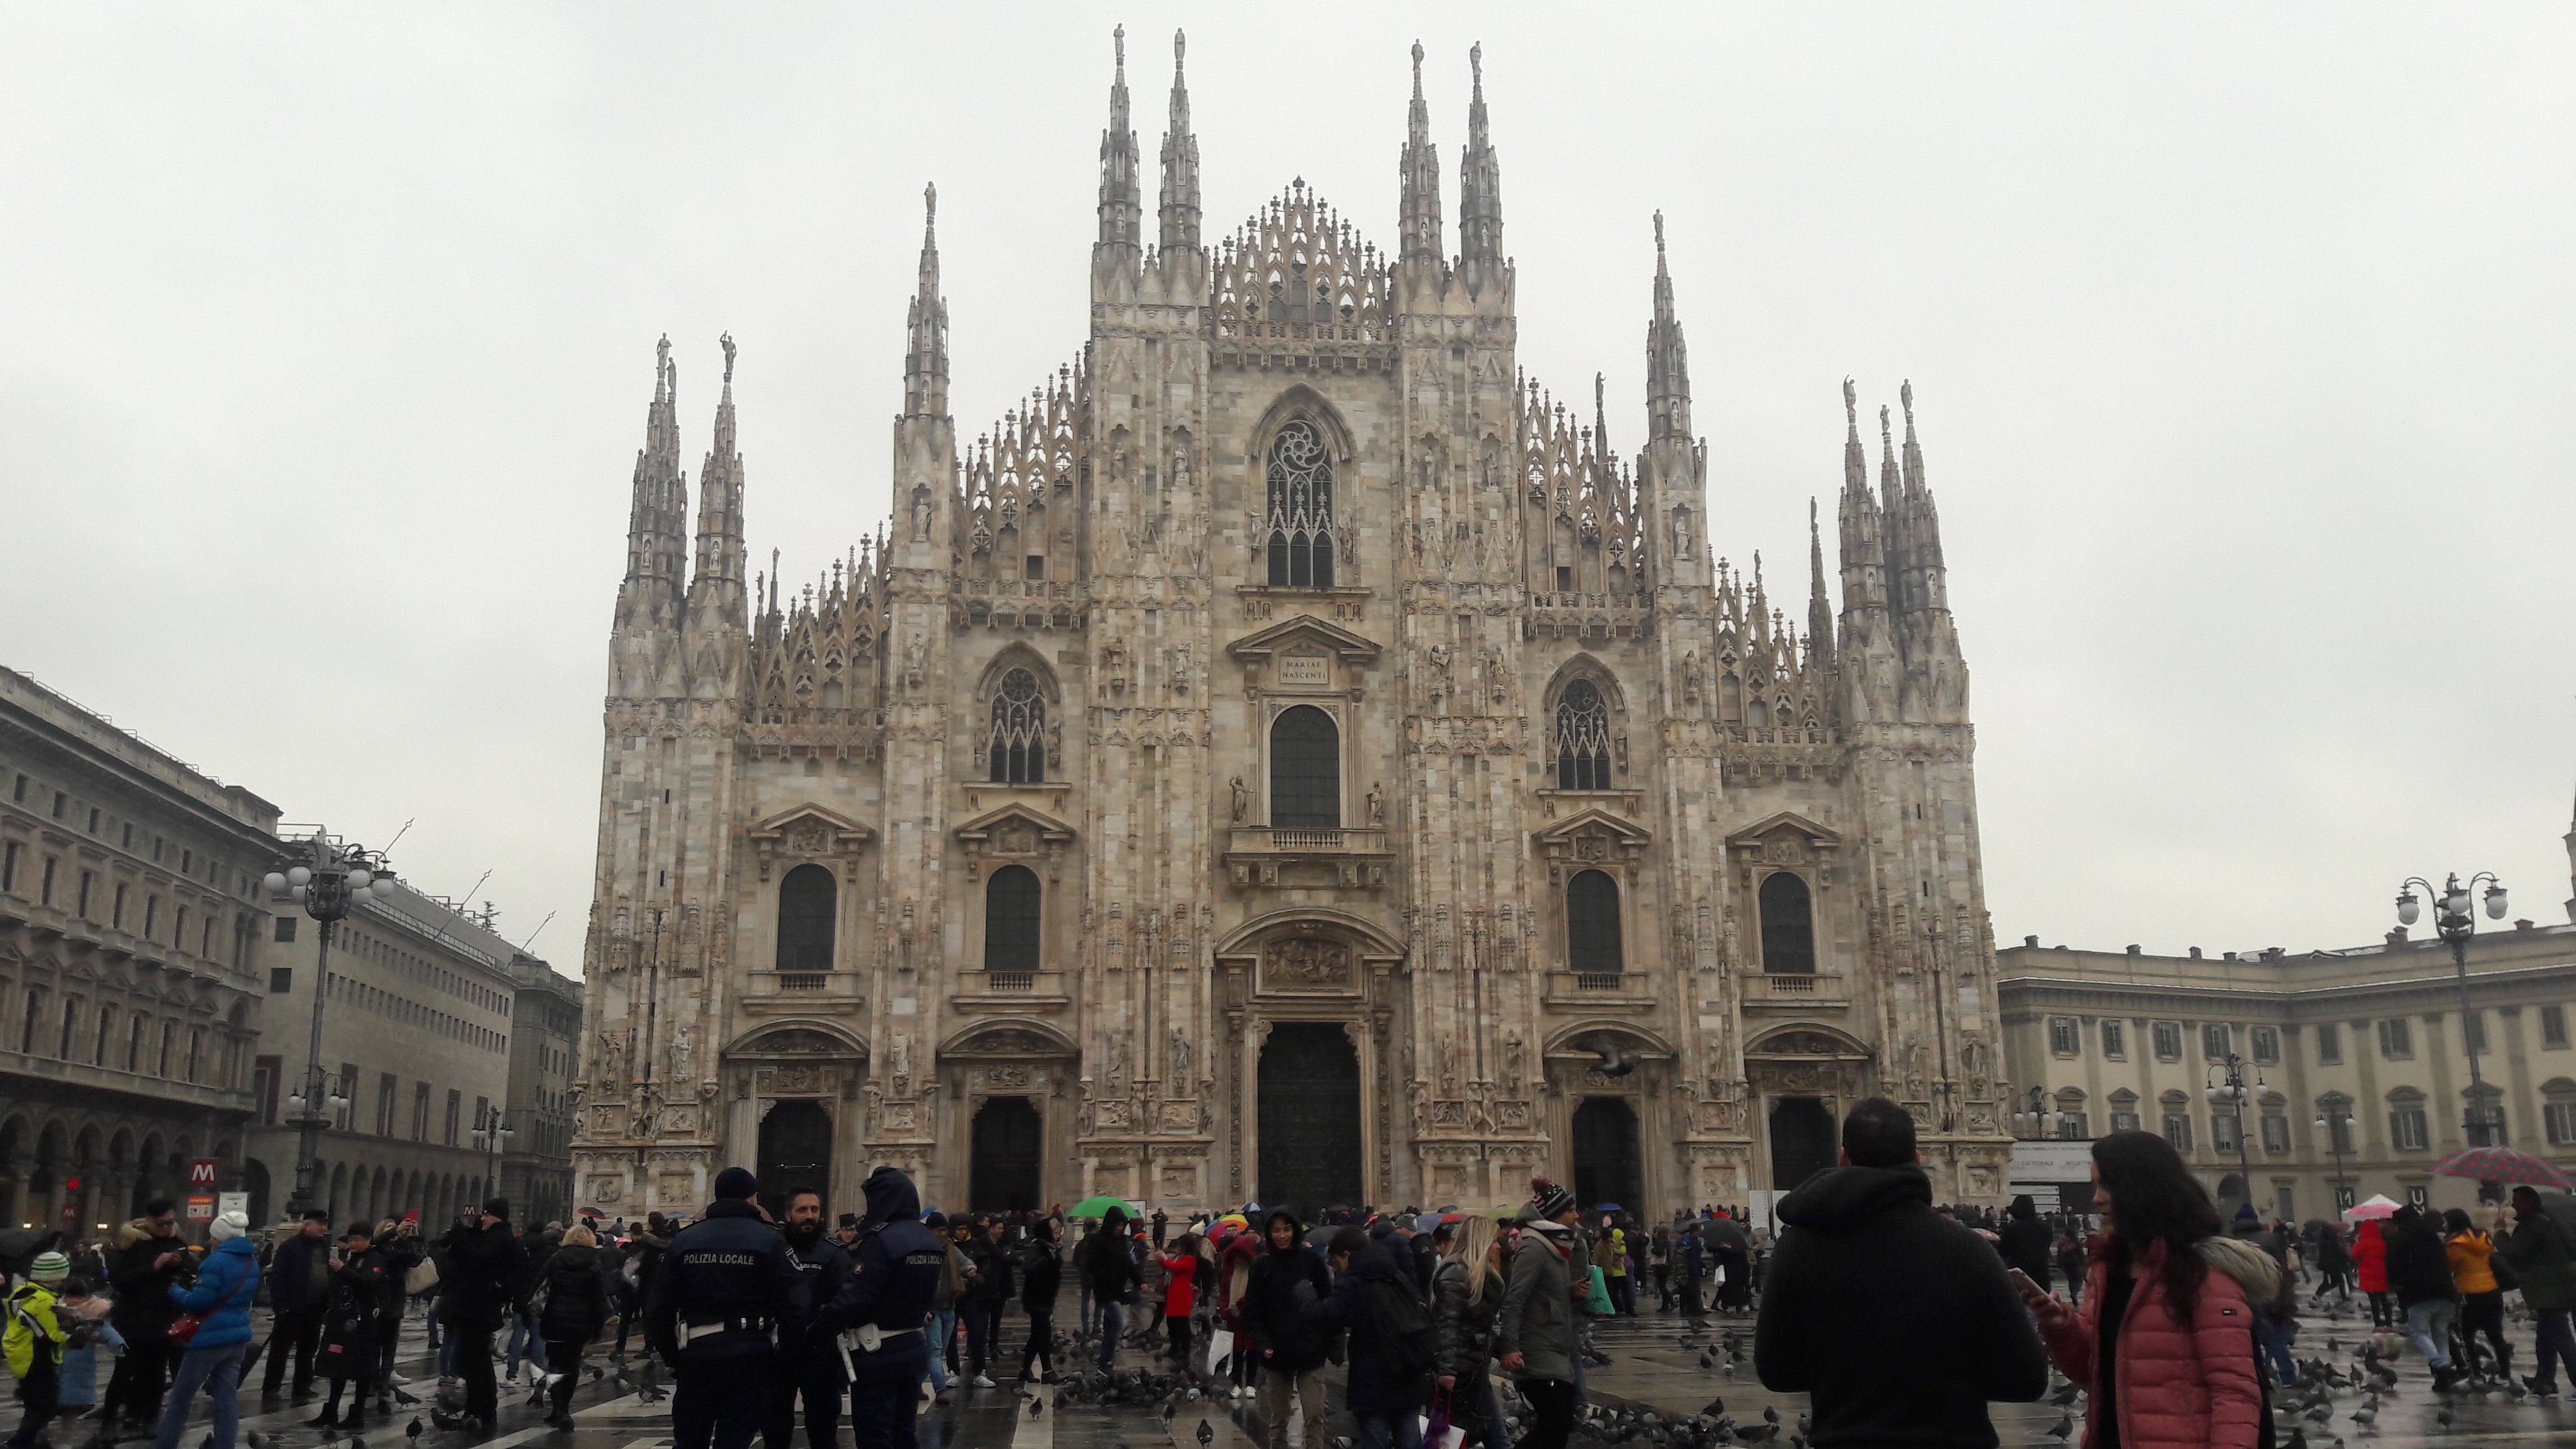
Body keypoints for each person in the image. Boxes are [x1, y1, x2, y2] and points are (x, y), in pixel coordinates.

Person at [1756, 1098, 2046, 1449]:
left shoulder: (1795, 1249)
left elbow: (1778, 1372)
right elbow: (2025, 1380)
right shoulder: (1969, 1250)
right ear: (1919, 1160)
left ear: (1844, 1158)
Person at [2020, 1131, 2273, 1449]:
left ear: (2140, 1190)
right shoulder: (2107, 1272)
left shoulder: (2204, 1275)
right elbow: (2091, 1372)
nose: (2096, 1198)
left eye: (2105, 1186)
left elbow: (2234, 1394)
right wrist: (2061, 1327)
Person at [647, 1168, 801, 1449]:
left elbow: (658, 1309)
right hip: (751, 1356)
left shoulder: (685, 1240)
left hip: (697, 1354)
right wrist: (780, 1358)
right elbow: (795, 1306)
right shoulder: (770, 1239)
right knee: (735, 1438)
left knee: (690, 1439)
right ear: (752, 1198)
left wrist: (674, 1357)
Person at [1299, 1224, 1434, 1449]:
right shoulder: (1396, 1274)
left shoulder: (1354, 1283)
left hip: (1374, 1380)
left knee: (1374, 1439)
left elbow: (1323, 1315)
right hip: (1409, 1373)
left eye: (1336, 1262)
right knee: (1409, 1438)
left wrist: (1305, 1290)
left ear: (1347, 1255)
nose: (1335, 1269)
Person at [841, 1166, 944, 1449]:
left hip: (878, 1355)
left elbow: (859, 1296)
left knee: (876, 1435)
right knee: (904, 1432)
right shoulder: (927, 1239)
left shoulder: (882, 1239)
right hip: (913, 1347)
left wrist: (821, 1324)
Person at [150, 1209, 260, 1449]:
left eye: (213, 1237)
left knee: (180, 1399)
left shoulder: (216, 1261)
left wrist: (174, 1290)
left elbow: (199, 1303)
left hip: (208, 1339)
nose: (211, 1241)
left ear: (221, 1237)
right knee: (226, 1400)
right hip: (237, 1338)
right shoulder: (251, 1261)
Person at [764, 1190, 861, 1449]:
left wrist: (823, 1324)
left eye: (814, 1210)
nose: (809, 1216)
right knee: (774, 1427)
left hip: (820, 1351)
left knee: (823, 1428)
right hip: (778, 1351)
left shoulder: (834, 1253)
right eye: (802, 1210)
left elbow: (848, 1296)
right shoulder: (773, 1249)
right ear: (788, 1215)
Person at [1241, 1210, 1336, 1449]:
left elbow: (1328, 1302)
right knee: (1279, 1417)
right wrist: (1262, 1342)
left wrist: (1326, 1340)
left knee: (1314, 1414)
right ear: (1268, 1233)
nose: (1282, 1236)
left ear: (1295, 1230)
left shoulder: (1311, 1260)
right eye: (1276, 1230)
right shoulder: (1262, 1265)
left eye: (1287, 1229)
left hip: (1310, 1349)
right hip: (1276, 1350)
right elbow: (1252, 1310)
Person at [1498, 1182, 1582, 1449]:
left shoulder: (1555, 1247)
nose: (1577, 1215)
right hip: (1538, 1351)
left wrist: (1570, 1292)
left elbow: (1542, 1295)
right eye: (1570, 1211)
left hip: (1556, 1346)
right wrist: (1510, 1347)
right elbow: (1515, 1299)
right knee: (1555, 1428)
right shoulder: (1534, 1248)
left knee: (1559, 1427)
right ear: (1555, 1215)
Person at [435, 1197, 529, 1432]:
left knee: (477, 1362)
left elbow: (478, 1261)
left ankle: (482, 1410)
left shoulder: (500, 1238)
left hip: (479, 1308)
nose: (483, 1219)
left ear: (495, 1216)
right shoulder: (496, 1237)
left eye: (486, 1215)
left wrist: (461, 1236)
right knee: (473, 1360)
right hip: (477, 1307)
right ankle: (477, 1409)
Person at [103, 1198, 190, 1440]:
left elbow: (189, 1270)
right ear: (150, 1221)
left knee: (156, 1372)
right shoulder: (130, 1242)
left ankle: (151, 1418)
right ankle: (109, 1421)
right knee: (124, 1372)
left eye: (171, 1223)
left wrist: (179, 1264)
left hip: (163, 1316)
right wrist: (154, 1267)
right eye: (162, 1223)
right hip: (132, 1318)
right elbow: (119, 1279)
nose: (167, 1228)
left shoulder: (176, 1242)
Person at [537, 1222, 623, 1430]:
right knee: (573, 1364)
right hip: (581, 1322)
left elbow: (538, 1284)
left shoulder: (556, 1258)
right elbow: (599, 1298)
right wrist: (600, 1323)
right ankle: (565, 1409)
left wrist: (526, 1307)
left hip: (555, 1319)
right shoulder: (594, 1262)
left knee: (555, 1364)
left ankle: (558, 1409)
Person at [2493, 1185, 2576, 1398]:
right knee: (2546, 1337)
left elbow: (2515, 1253)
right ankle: (2544, 1380)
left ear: (2530, 1202)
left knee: (2561, 1336)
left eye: (2517, 1200)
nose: (2513, 1205)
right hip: (2559, 1287)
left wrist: (2500, 1233)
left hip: (2547, 1291)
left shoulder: (2531, 1226)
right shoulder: (2549, 1221)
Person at [309, 1221, 392, 1430]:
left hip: (363, 1324)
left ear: (368, 1240)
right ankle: (331, 1410)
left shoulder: (375, 1259)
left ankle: (357, 1414)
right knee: (338, 1368)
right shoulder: (349, 1258)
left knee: (362, 1369)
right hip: (341, 1321)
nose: (353, 1244)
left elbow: (368, 1283)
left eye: (357, 1240)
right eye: (351, 1240)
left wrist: (342, 1269)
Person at [1432, 1215, 1506, 1448]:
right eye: (1494, 1241)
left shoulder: (1480, 1277)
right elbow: (1448, 1324)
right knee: (1459, 1440)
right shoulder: (1457, 1275)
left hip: (1474, 1372)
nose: (1499, 1247)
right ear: (1481, 1242)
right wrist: (1448, 1370)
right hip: (1460, 1376)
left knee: (1491, 1438)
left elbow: (1479, 1326)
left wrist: (1504, 1350)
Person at [261, 1211, 335, 1405]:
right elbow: (278, 1277)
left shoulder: (322, 1246)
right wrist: (281, 1307)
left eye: (324, 1224)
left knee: (308, 1350)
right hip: (292, 1309)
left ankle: (302, 1386)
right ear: (307, 1226)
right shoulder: (291, 1246)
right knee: (280, 1350)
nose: (324, 1228)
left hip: (315, 1308)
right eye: (320, 1224)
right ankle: (271, 1388)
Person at [2384, 1206, 2461, 1388]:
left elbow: (2394, 1265)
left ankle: (2440, 1363)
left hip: (2419, 1293)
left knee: (2418, 1332)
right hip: (2446, 1292)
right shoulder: (2434, 1236)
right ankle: (2444, 1373)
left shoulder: (2401, 1238)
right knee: (2441, 1334)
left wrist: (2395, 1284)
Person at [5, 1251, 71, 1449]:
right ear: (56, 1279)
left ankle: (26, 1443)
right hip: (38, 1360)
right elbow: (50, 1335)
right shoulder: (43, 1301)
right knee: (46, 1408)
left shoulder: (26, 1292)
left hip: (23, 1357)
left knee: (34, 1407)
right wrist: (74, 1334)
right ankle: (17, 1445)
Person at [52, 1273, 122, 1422]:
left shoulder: (91, 1315)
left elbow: (106, 1332)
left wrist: (118, 1345)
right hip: (63, 1357)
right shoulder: (57, 1310)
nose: (75, 1303)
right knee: (62, 1382)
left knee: (75, 1385)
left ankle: (73, 1408)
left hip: (79, 1358)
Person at [1080, 1208, 1142, 1372]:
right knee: (1120, 1322)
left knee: (1110, 1325)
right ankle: (1106, 1359)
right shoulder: (1098, 1240)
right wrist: (1108, 1275)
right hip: (1105, 1289)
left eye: (1122, 1225)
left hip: (1118, 1289)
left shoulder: (1121, 1241)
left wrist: (1139, 1281)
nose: (1120, 1228)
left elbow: (1128, 1264)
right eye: (1118, 1225)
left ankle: (1105, 1359)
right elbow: (1090, 1264)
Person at [958, 1215, 1013, 1388]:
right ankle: (955, 1371)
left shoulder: (978, 1243)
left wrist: (977, 1275)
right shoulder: (954, 1245)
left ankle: (979, 1370)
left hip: (977, 1291)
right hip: (959, 1293)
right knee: (951, 1336)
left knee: (978, 1331)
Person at [1017, 1219, 1063, 1385]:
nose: (1057, 1236)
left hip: (1047, 1297)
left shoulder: (1052, 1248)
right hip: (1036, 1297)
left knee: (1038, 1335)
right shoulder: (1037, 1247)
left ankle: (1026, 1370)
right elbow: (1027, 1268)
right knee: (1043, 1334)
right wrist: (1046, 1260)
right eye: (1055, 1233)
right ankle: (1047, 1371)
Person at [1157, 1232, 1203, 1374]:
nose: (1178, 1248)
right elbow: (1168, 1267)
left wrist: (1165, 1259)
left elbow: (1176, 1268)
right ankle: (1174, 1347)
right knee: (1171, 1322)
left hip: (1182, 1294)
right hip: (1173, 1293)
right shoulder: (1179, 1257)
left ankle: (1185, 1352)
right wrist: (1161, 1259)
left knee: (1182, 1324)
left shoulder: (1190, 1259)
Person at [1996, 1195, 2053, 1291]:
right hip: (2042, 1277)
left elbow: (2003, 1251)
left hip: (2019, 1278)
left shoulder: (2012, 1228)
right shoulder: (2046, 1228)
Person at [2354, 1217, 2393, 1328]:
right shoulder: (2382, 1242)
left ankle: (2377, 1322)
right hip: (2381, 1273)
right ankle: (2389, 1322)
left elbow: (2355, 1255)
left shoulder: (2363, 1243)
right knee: (2384, 1299)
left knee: (2373, 1300)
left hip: (2367, 1275)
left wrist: (2357, 1243)